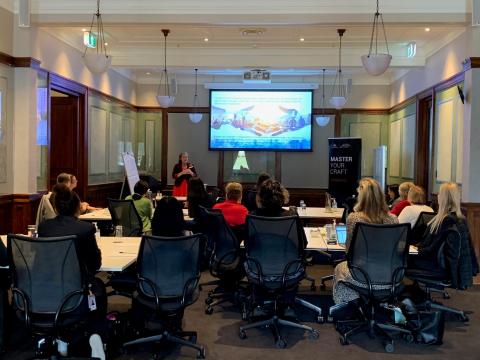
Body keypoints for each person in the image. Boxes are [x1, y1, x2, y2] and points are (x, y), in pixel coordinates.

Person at [37, 184, 107, 359]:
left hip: (45, 291)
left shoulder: (45, 228)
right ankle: (95, 335)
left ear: (56, 207)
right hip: (77, 293)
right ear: (77, 207)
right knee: (98, 287)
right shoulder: (85, 228)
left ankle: (62, 337)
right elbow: (95, 264)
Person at [333, 178, 399, 304]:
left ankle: (349, 306)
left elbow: (350, 251)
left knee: (339, 268)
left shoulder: (354, 218)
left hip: (362, 274)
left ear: (361, 197)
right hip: (390, 275)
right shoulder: (393, 219)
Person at [408, 183, 479, 284]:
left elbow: (430, 251)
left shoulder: (446, 221)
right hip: (441, 264)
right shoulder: (459, 219)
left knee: (400, 258)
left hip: (434, 265)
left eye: (439, 194)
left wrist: (409, 250)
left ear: (443, 198)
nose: (437, 196)